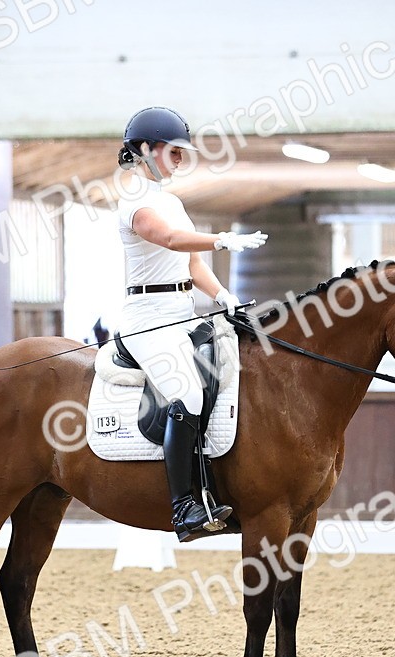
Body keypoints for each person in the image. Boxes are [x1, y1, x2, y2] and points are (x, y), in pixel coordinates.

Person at [114, 106, 267, 541]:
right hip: (147, 319)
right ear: (145, 150)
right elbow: (168, 240)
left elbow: (191, 261)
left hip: (184, 312)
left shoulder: (172, 201)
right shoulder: (136, 203)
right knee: (188, 392)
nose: (181, 160)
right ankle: (183, 506)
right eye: (174, 152)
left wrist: (222, 296)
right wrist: (221, 237)